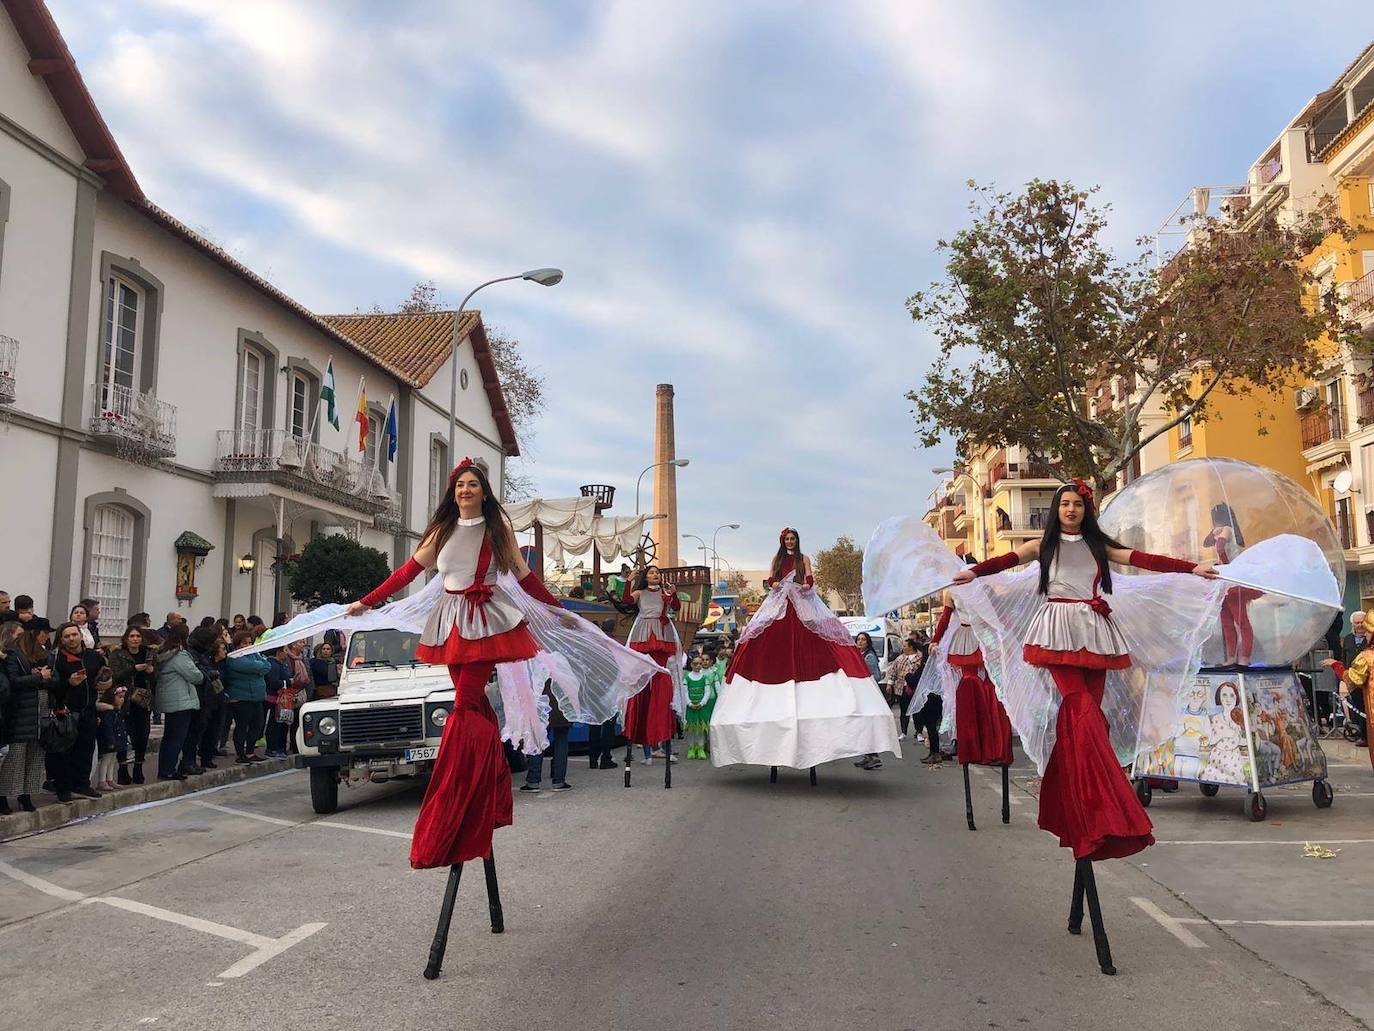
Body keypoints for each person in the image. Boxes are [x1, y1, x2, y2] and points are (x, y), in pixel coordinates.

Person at [334, 456, 656, 872]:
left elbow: (524, 578)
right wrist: (365, 602)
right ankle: (487, 781)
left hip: (484, 621)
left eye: (472, 484)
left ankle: (457, 796)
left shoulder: (496, 530)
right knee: (471, 707)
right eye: (459, 484)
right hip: (449, 622)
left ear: (484, 492)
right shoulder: (441, 531)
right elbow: (406, 573)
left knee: (464, 706)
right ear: (453, 492)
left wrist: (558, 610)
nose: (465, 490)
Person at [953, 480, 1218, 975]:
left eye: (1077, 504)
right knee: (1076, 706)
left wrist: (1192, 568)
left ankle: (1087, 789)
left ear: (1086, 510)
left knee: (1087, 714)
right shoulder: (1042, 545)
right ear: (1057, 511)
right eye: (1065, 504)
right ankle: (1094, 795)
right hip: (1057, 625)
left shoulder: (1100, 546)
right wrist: (967, 571)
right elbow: (1003, 565)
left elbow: (1143, 561)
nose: (1071, 510)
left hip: (1095, 627)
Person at [711, 528, 900, 778]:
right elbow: (770, 581)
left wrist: (802, 585)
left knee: (824, 640)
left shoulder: (804, 559)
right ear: (782, 541)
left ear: (797, 541)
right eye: (787, 539)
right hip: (781, 605)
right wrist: (777, 584)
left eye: (793, 539)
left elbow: (810, 580)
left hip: (801, 604)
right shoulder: (777, 560)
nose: (790, 542)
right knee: (757, 638)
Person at [622, 564, 682, 768]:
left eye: (657, 572)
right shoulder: (640, 592)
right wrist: (629, 581)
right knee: (642, 678)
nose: (655, 575)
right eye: (651, 573)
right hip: (644, 631)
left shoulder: (666, 592)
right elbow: (627, 601)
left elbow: (676, 608)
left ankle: (663, 743)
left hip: (662, 632)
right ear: (646, 577)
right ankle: (647, 746)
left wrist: (673, 595)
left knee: (661, 680)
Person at [49, 621, 107, 800]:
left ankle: (82, 784)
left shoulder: (92, 656)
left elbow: (102, 676)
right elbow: (52, 685)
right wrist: (69, 683)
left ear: (81, 636)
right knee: (64, 751)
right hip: (66, 710)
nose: (71, 639)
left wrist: (106, 683)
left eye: (74, 635)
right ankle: (63, 788)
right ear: (61, 639)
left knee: (86, 748)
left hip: (88, 709)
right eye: (66, 636)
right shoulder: (57, 659)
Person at [0, 620, 51, 814]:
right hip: (21, 713)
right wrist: (38, 677)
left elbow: (53, 679)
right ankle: (4, 796)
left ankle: (27, 795)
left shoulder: (42, 654)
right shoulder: (13, 655)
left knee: (35, 758)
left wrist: (43, 677)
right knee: (16, 758)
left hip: (39, 712)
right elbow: (13, 682)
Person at [154, 623, 203, 781]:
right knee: (177, 737)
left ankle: (165, 768)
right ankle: (168, 770)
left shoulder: (164, 651)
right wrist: (199, 671)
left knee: (169, 737)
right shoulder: (179, 655)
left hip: (170, 699)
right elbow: (196, 676)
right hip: (180, 700)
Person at [108, 626, 156, 784]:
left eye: (138, 636)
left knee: (142, 735)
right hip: (125, 698)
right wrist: (133, 669)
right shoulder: (118, 654)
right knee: (125, 735)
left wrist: (151, 672)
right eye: (132, 636)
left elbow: (157, 674)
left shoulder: (148, 653)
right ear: (126, 638)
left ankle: (138, 767)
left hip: (143, 699)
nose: (135, 639)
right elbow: (114, 675)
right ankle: (123, 769)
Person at [223, 630, 270, 764]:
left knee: (257, 724)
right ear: (238, 644)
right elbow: (250, 667)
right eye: (245, 643)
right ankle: (241, 754)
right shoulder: (234, 657)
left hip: (257, 696)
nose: (248, 645)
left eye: (250, 642)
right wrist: (259, 668)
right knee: (242, 726)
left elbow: (267, 666)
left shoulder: (254, 654)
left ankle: (250, 752)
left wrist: (259, 666)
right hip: (241, 697)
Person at [186, 625, 227, 771]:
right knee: (195, 732)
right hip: (200, 697)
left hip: (212, 697)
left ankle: (205, 758)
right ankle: (189, 762)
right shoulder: (193, 653)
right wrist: (209, 674)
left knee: (211, 729)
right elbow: (198, 674)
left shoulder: (202, 654)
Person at [521, 684, 571, 792]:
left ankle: (533, 781)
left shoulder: (538, 667)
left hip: (541, 705)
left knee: (538, 740)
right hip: (562, 704)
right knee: (561, 741)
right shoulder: (564, 667)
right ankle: (559, 781)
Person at [853, 631, 885, 771]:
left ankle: (873, 756)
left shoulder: (869, 657)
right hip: (862, 695)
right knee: (863, 725)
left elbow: (876, 676)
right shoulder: (859, 655)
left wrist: (863, 681)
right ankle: (867, 756)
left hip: (869, 696)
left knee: (869, 725)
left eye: (863, 640)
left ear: (868, 642)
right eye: (858, 639)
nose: (860, 642)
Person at [1340, 611, 1370, 745]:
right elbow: (1344, 658)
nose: (1359, 625)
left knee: (1367, 708)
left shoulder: (1370, 638)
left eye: (1361, 622)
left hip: (1367, 680)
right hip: (1352, 679)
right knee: (1357, 708)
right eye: (1356, 623)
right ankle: (1362, 735)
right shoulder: (1348, 639)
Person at [93, 674, 127, 792]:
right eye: (119, 697)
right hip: (109, 740)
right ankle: (102, 781)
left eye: (123, 697)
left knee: (112, 760)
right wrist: (111, 740)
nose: (122, 699)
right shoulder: (108, 713)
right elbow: (107, 728)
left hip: (116, 739)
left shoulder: (117, 712)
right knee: (106, 760)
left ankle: (110, 779)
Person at [889, 638, 924, 741]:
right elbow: (893, 672)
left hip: (916, 688)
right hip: (902, 687)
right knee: (904, 710)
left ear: (911, 647)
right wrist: (890, 684)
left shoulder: (920, 658)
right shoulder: (899, 659)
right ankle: (904, 731)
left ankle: (919, 732)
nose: (902, 648)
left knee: (918, 710)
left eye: (904, 646)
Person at [683, 655, 715, 759]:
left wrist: (702, 703)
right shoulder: (687, 678)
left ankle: (701, 748)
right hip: (691, 707)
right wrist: (690, 703)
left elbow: (707, 691)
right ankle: (692, 748)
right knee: (691, 729)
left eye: (700, 663)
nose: (698, 666)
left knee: (701, 729)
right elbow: (685, 692)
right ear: (691, 665)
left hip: (702, 707)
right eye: (695, 664)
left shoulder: (705, 678)